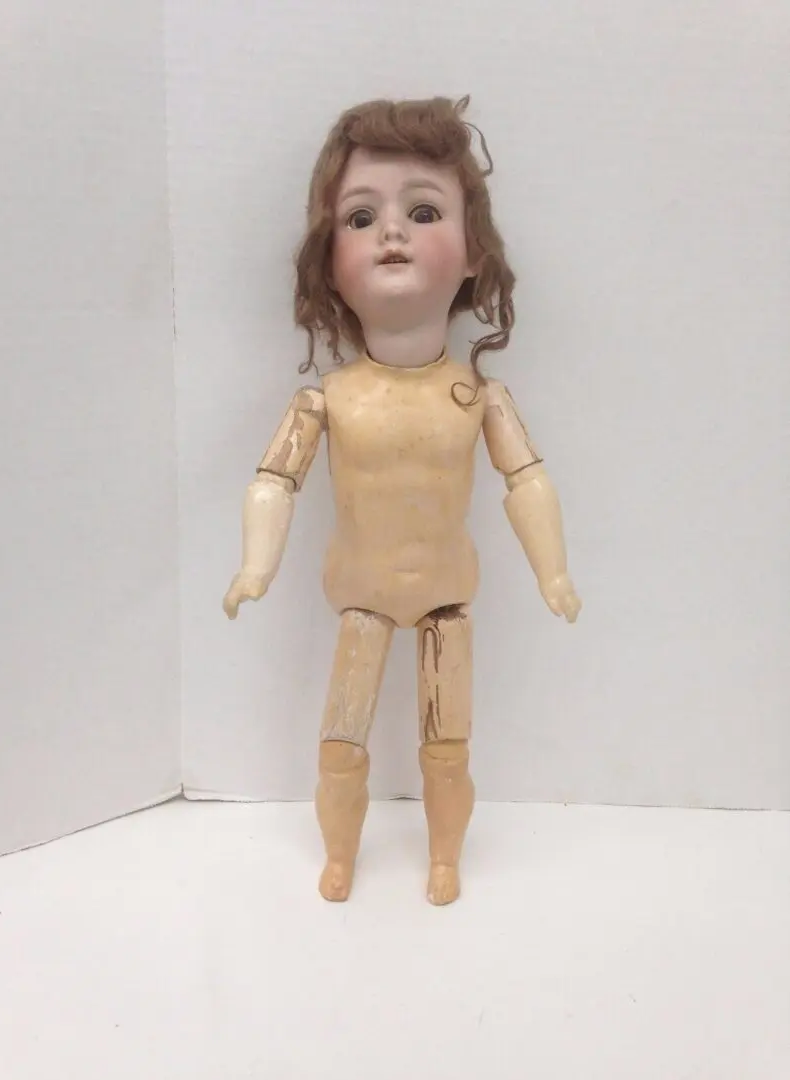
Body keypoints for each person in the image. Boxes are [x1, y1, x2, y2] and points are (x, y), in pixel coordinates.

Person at [223, 96, 581, 905]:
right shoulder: (328, 399)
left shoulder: (478, 397)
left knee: (447, 751)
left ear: (473, 254)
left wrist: (553, 572)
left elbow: (527, 480)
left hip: (447, 600)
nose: (392, 232)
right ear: (329, 264)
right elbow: (274, 481)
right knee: (340, 747)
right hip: (360, 600)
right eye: (361, 217)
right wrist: (255, 565)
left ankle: (444, 859)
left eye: (423, 212)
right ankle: (340, 858)